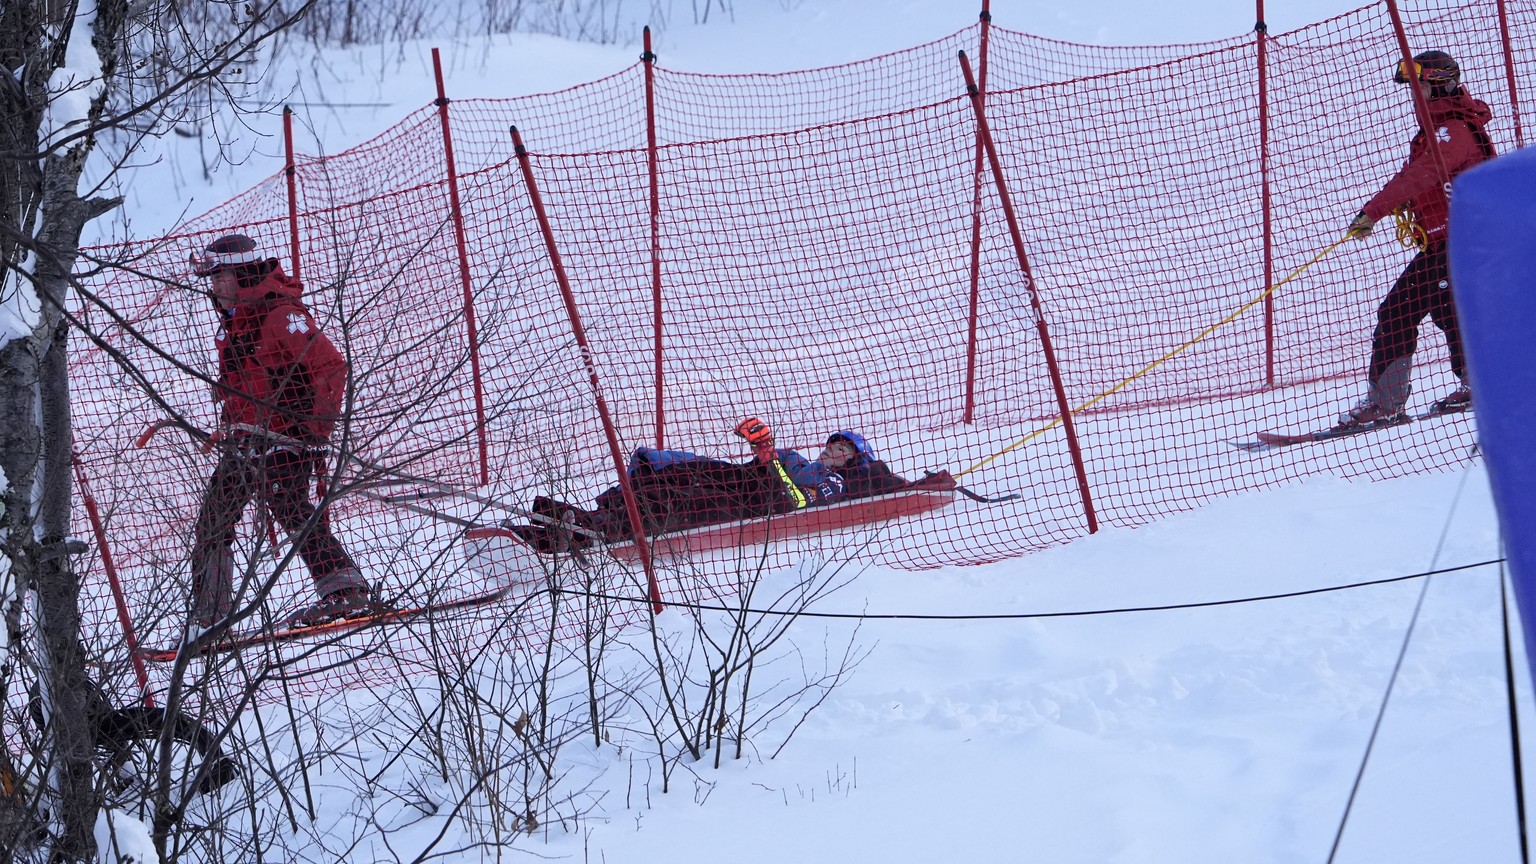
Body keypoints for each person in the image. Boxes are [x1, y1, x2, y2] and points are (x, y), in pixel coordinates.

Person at [185, 233, 374, 636]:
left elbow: (332, 367)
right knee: (215, 518)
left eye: (220, 277)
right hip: (245, 442)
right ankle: (209, 618)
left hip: (289, 437)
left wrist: (312, 429)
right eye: (212, 279)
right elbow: (246, 384)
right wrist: (230, 424)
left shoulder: (280, 316)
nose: (214, 287)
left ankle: (346, 590)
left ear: (243, 275)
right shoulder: (233, 325)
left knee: (289, 505)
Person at [1336, 50, 1496, 430]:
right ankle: (1481, 384)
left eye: (1418, 86)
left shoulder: (1452, 131)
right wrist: (1399, 205)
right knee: (1448, 309)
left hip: (1462, 243)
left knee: (1397, 311)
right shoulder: (1437, 132)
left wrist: (1373, 212)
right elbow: (1420, 181)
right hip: (1449, 243)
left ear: (1438, 86)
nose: (1414, 95)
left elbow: (1422, 175)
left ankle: (1385, 403)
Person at [516, 420, 911, 552]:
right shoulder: (806, 463)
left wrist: (767, 454)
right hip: (745, 483)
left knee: (684, 501)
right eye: (829, 445)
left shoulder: (838, 484)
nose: (829, 451)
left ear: (856, 459)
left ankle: (587, 532)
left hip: (750, 507)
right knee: (678, 475)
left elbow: (794, 501)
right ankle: (583, 518)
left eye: (840, 449)